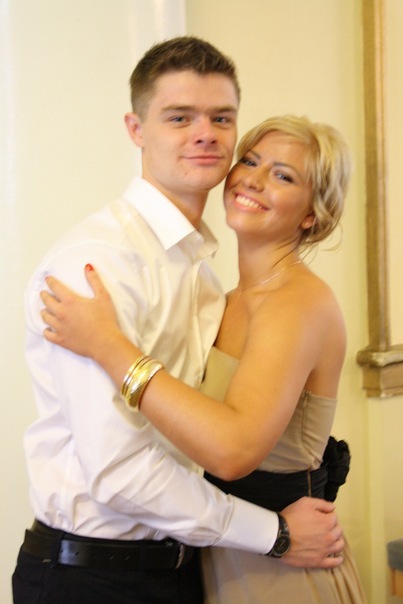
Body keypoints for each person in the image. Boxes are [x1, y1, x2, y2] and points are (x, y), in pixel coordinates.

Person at [13, 38, 344, 604]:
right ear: (136, 129)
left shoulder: (205, 278)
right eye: (179, 117)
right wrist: (274, 534)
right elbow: (118, 471)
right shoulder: (95, 266)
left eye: (221, 118)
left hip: (195, 567)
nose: (205, 133)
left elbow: (217, 442)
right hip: (95, 579)